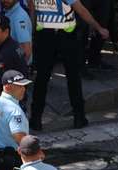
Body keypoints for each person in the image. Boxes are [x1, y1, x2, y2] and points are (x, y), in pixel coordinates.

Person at [29, 0, 106, 131]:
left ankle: (36, 119)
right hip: (66, 36)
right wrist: (98, 27)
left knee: (42, 78)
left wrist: (32, 34)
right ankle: (79, 117)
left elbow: (33, 12)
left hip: (44, 36)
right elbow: (81, 10)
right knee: (73, 77)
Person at [0, 70, 30, 170]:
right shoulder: (14, 111)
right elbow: (20, 138)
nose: (23, 89)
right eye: (19, 86)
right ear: (7, 86)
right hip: (13, 159)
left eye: (24, 86)